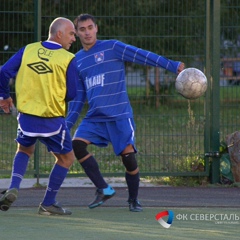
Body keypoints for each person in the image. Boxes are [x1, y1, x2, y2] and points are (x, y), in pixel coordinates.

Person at [66, 13, 185, 212]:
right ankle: (103, 188)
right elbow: (78, 97)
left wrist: (171, 65)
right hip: (94, 117)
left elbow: (142, 55)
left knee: (129, 159)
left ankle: (133, 200)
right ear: (76, 33)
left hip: (120, 115)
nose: (87, 32)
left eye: (90, 27)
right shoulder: (77, 61)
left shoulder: (112, 47)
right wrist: (67, 124)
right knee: (77, 146)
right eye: (82, 29)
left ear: (97, 28)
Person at [0, 17, 78, 215]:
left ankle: (13, 187)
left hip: (26, 119)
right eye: (71, 33)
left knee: (24, 150)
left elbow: (3, 72)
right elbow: (72, 94)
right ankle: (48, 203)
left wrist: (5, 97)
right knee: (66, 159)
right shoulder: (68, 58)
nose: (74, 39)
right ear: (59, 33)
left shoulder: (28, 49)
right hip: (52, 120)